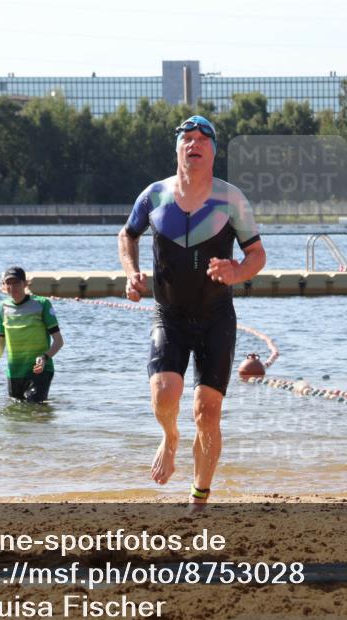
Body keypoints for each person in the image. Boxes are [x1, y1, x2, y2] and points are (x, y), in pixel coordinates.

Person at [117, 115, 266, 505]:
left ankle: (199, 495)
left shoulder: (231, 199)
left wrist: (237, 271)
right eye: (187, 138)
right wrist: (132, 273)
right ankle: (169, 437)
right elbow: (127, 235)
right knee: (165, 393)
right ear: (178, 148)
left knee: (207, 411)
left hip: (216, 316)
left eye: (203, 138)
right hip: (170, 315)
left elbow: (257, 255)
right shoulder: (154, 195)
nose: (194, 143)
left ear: (213, 151)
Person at [0, 266, 64, 402]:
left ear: (25, 284)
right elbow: (0, 340)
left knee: (34, 408)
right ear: (4, 286)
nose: (12, 286)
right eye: (8, 283)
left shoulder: (42, 304)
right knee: (17, 412)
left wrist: (45, 358)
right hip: (14, 371)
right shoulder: (3, 307)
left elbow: (58, 341)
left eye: (16, 282)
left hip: (39, 370)